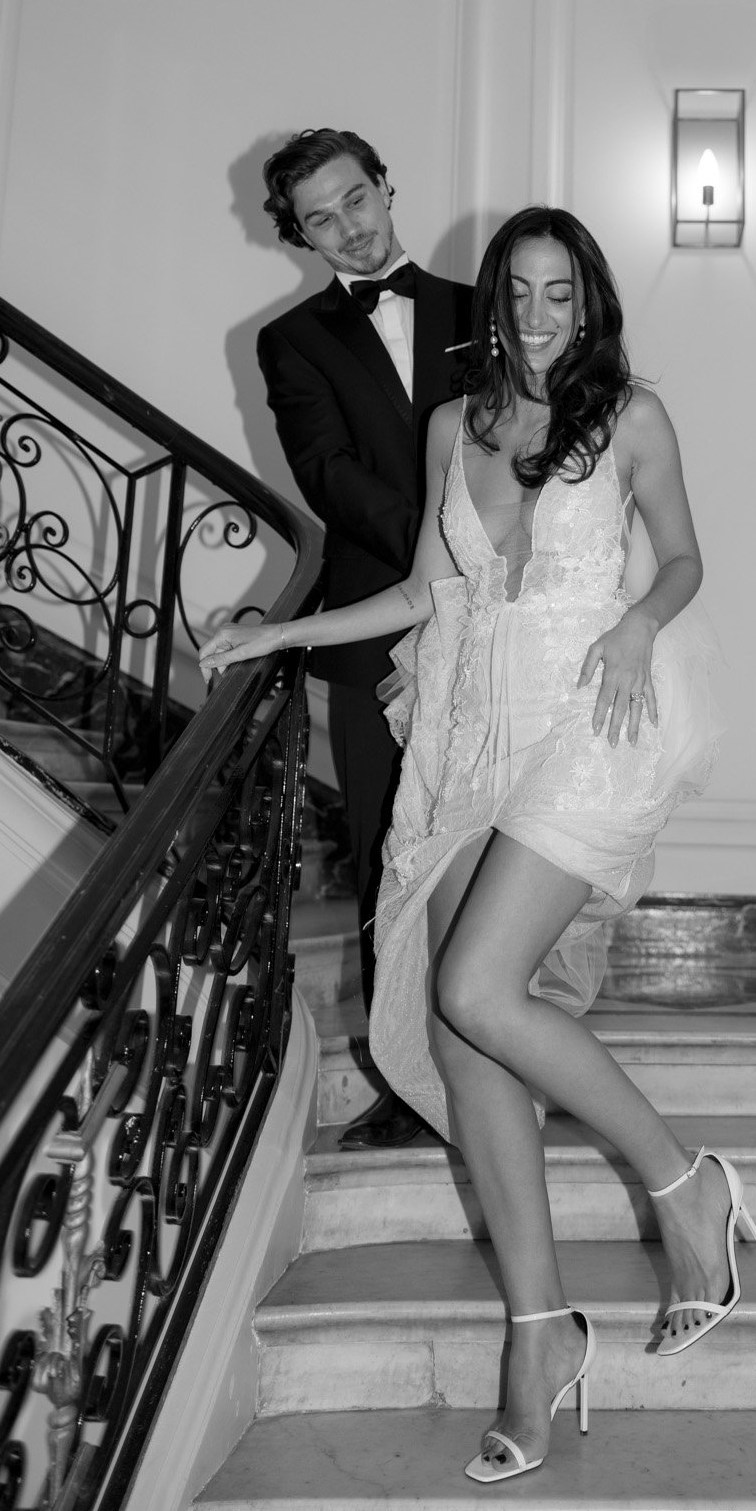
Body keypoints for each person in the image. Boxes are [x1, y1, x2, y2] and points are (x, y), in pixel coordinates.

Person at [202, 208, 756, 1482]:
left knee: (473, 984)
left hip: (589, 714)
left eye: (560, 291)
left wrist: (636, 628)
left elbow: (679, 560)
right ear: (494, 301)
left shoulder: (632, 416)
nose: (535, 311)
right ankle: (538, 1333)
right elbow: (421, 593)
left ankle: (687, 1188)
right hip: (469, 732)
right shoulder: (454, 425)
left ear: (590, 298)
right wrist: (268, 640)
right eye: (517, 290)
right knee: (468, 1050)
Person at [256, 128, 471, 1148]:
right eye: (320, 219)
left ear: (387, 185)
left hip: (499, 631)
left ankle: (496, 1050)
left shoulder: (484, 309)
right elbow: (327, 475)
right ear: (296, 234)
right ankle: (402, 1079)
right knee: (387, 851)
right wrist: (449, 547)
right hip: (371, 634)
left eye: (356, 199)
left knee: (488, 846)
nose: (348, 226)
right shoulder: (290, 342)